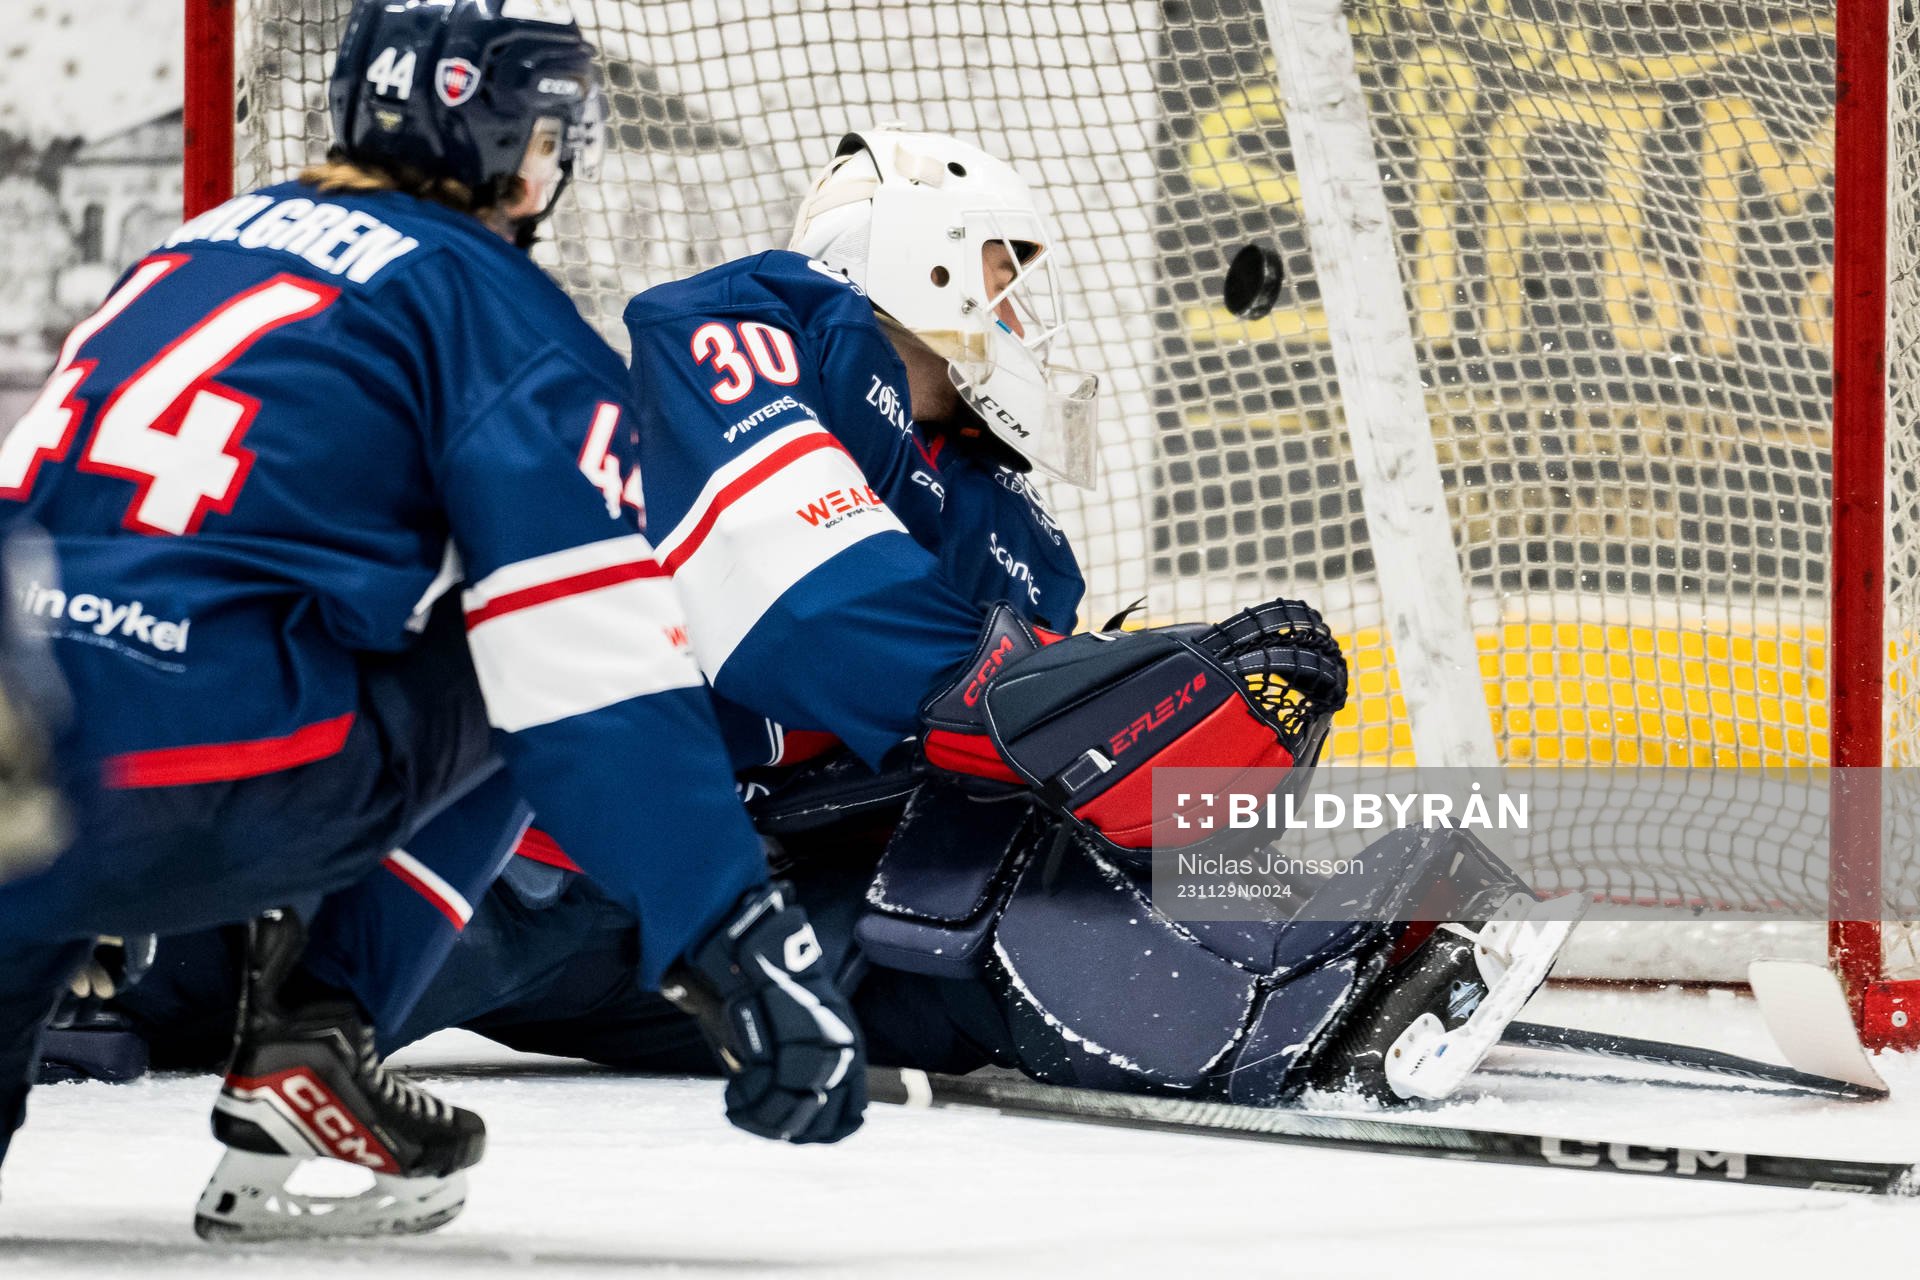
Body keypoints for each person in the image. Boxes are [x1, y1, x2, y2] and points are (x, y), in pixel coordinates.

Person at [98, 128, 1577, 1120]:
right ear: (921, 248)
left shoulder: (1004, 529)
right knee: (203, 980)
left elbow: (995, 748)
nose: (1014, 308)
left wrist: (1166, 737)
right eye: (1002, 268)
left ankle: (1322, 991)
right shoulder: (751, 325)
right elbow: (792, 600)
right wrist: (1048, 701)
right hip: (512, 838)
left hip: (701, 913)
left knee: (975, 930)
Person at [0, 0, 864, 1244]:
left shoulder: (193, 250)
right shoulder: (487, 302)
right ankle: (318, 1033)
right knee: (506, 634)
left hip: (33, 751)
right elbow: (588, 664)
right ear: (507, 140)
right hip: (189, 770)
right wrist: (733, 930)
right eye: (549, 136)